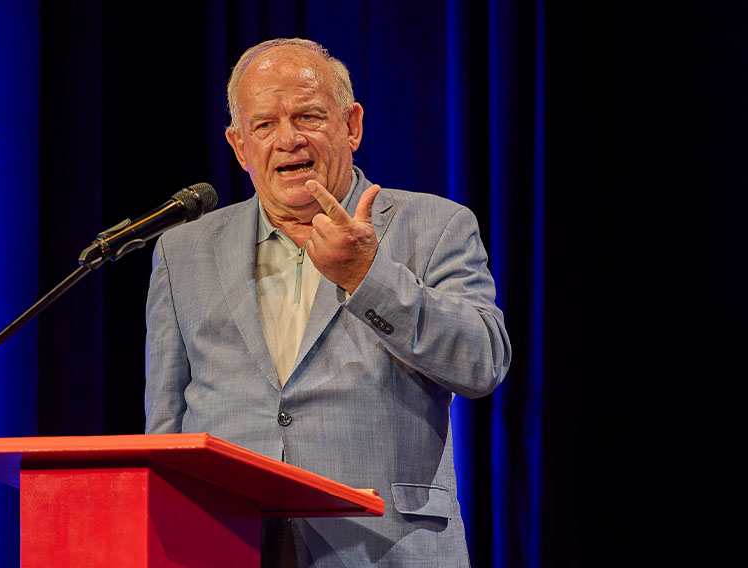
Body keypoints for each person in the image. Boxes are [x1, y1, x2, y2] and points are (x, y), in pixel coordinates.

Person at [145, 37, 511, 567]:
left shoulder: (436, 225)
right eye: (264, 125)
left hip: (383, 545)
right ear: (239, 144)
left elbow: (482, 364)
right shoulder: (183, 251)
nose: (288, 139)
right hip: (223, 543)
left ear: (352, 125)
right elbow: (166, 424)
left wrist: (368, 276)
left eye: (309, 116)